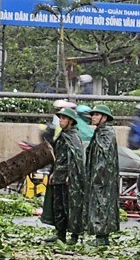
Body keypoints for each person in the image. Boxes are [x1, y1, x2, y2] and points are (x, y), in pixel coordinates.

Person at [40, 107, 86, 244]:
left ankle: (74, 235)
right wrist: (54, 172)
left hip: (69, 179)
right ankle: (60, 234)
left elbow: (76, 158)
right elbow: (58, 156)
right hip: (58, 177)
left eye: (64, 118)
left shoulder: (74, 137)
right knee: (58, 206)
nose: (61, 120)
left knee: (71, 207)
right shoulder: (62, 136)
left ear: (70, 121)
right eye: (60, 118)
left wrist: (69, 176)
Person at [84, 104, 120, 246]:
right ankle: (102, 236)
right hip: (100, 176)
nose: (93, 117)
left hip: (102, 177)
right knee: (100, 204)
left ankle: (101, 237)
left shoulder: (106, 133)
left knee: (102, 204)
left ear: (104, 117)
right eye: (93, 115)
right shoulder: (100, 132)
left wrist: (97, 176)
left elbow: (104, 156)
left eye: (97, 115)